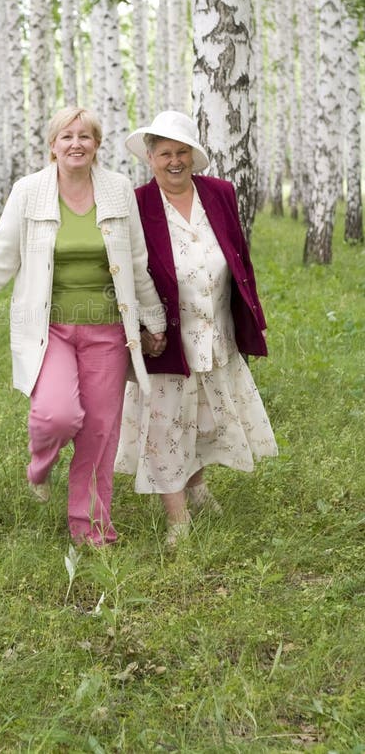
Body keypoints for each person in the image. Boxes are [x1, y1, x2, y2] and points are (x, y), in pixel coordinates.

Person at [0, 106, 166, 546]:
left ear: (97, 144)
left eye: (86, 136)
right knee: (56, 415)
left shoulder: (118, 190)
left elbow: (137, 263)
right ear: (52, 145)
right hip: (50, 329)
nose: (76, 143)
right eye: (67, 136)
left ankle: (91, 528)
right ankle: (40, 463)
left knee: (100, 432)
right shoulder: (29, 192)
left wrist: (153, 321)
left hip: (108, 331)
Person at [115, 111, 277, 545]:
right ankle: (177, 520)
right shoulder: (138, 203)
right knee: (166, 422)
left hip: (216, 325)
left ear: (194, 155)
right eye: (165, 152)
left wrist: (248, 316)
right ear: (150, 158)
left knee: (204, 415)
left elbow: (237, 253)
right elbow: (128, 269)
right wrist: (143, 324)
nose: (174, 160)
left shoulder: (220, 193)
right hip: (164, 333)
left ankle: (197, 485)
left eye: (182, 151)